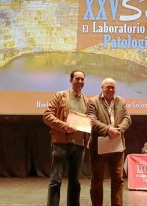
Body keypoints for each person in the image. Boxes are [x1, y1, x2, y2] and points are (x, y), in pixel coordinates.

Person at [43, 70, 90, 206]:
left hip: (79, 145)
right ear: (71, 80)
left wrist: (91, 121)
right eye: (77, 79)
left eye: (82, 79)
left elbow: (88, 122)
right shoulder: (60, 96)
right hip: (61, 144)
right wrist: (64, 126)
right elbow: (47, 116)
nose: (80, 82)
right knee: (56, 180)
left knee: (75, 182)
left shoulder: (86, 100)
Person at [88, 77, 132, 206]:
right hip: (98, 147)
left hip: (117, 146)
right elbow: (92, 120)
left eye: (113, 87)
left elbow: (127, 119)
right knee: (97, 180)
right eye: (108, 87)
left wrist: (118, 129)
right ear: (102, 88)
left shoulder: (121, 101)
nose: (111, 89)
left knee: (118, 180)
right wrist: (108, 129)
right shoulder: (93, 101)